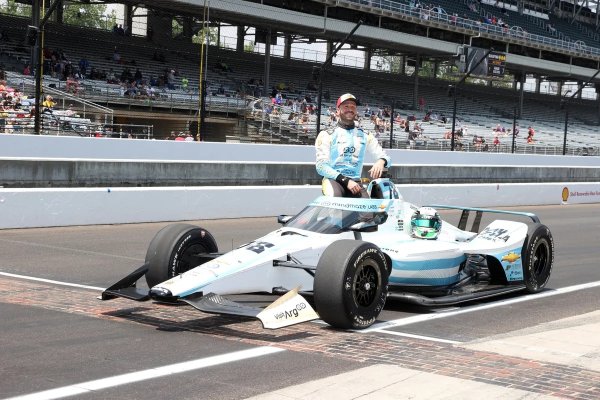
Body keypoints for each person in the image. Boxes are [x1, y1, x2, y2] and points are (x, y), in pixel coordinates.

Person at [316, 93, 391, 198]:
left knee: (368, 213)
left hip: (355, 182)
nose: (350, 109)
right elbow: (321, 167)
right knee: (335, 199)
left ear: (356, 111)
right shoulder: (326, 134)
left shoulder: (365, 135)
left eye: (353, 107)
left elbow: (386, 158)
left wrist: (381, 161)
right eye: (346, 106)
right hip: (334, 180)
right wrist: (345, 180)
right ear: (338, 111)